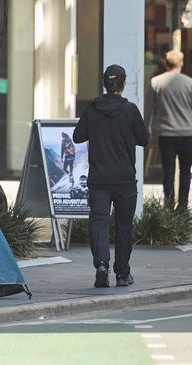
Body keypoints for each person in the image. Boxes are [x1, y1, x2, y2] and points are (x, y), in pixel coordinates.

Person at [73, 64, 149, 288]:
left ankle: (102, 265)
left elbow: (78, 136)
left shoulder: (92, 108)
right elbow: (144, 139)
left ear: (105, 84)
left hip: (99, 179)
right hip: (125, 179)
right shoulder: (130, 110)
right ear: (123, 84)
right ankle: (123, 274)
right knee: (124, 225)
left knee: (99, 222)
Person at [145, 50, 192, 209]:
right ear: (181, 63)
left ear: (166, 63)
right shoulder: (189, 83)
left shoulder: (155, 82)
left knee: (168, 172)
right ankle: (183, 207)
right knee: (186, 171)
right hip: (187, 134)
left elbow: (148, 109)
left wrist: (147, 130)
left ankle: (169, 206)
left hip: (166, 134)